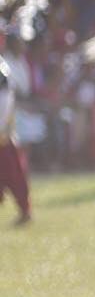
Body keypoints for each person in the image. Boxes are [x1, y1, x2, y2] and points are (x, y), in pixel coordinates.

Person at [0, 27, 32, 224]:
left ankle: (25, 211)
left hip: (2, 133)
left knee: (14, 173)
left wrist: (2, 126)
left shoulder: (2, 69)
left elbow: (4, 101)